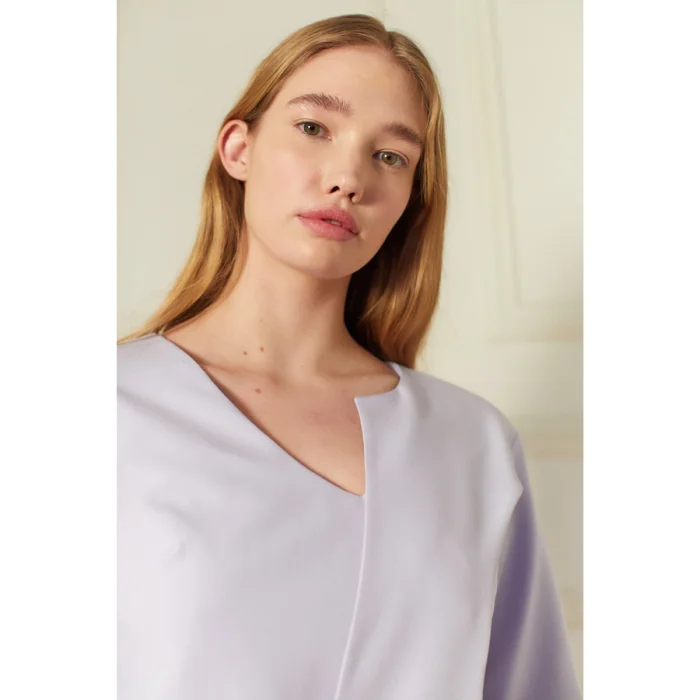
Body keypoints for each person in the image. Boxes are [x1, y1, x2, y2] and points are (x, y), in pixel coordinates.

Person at [117, 13, 581, 700]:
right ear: (238, 148)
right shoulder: (113, 411)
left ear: (409, 199)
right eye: (314, 127)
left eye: (390, 156)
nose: (348, 178)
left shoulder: (473, 445)